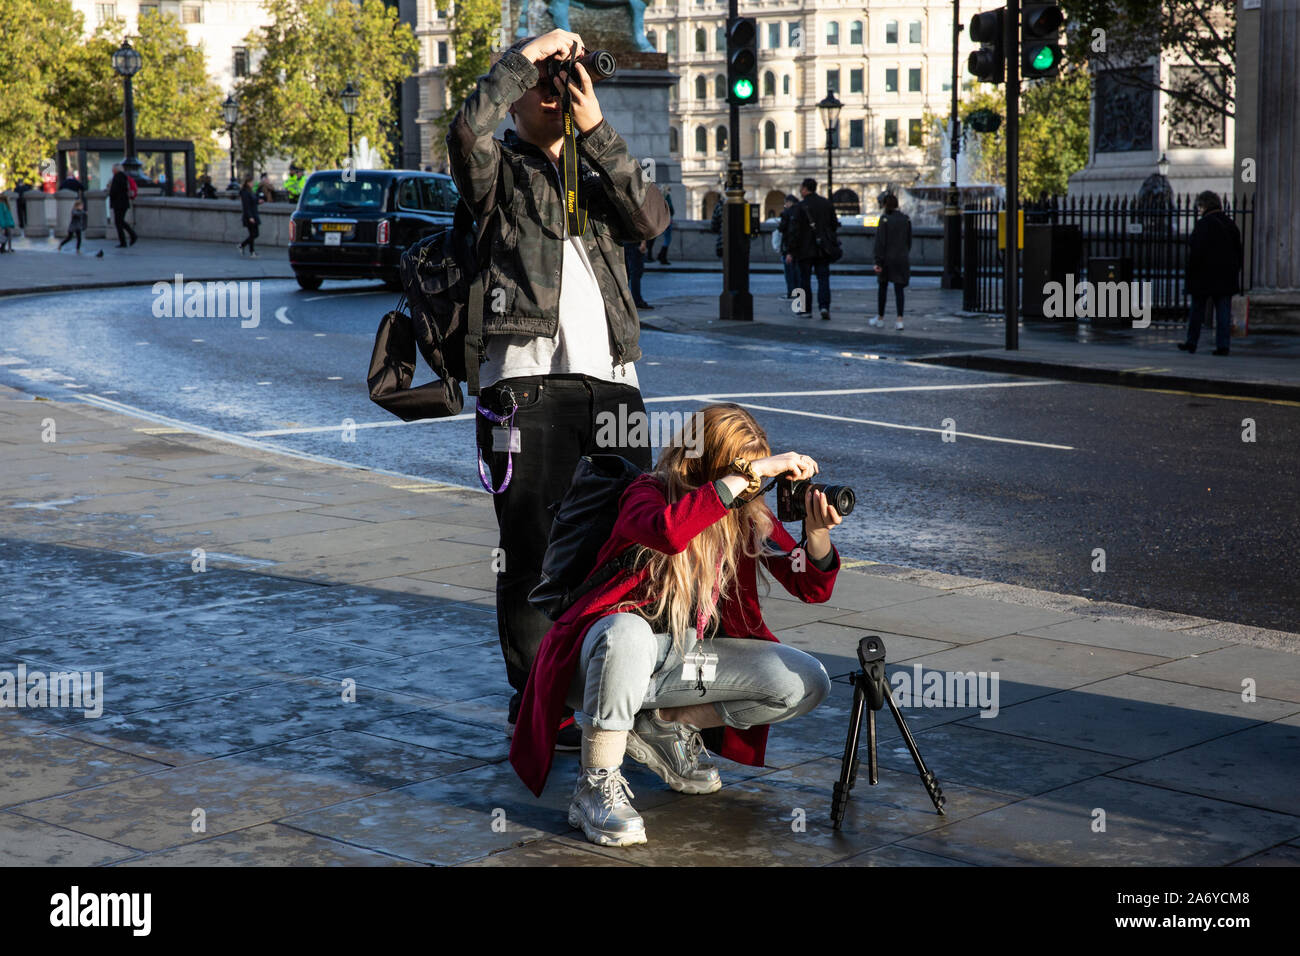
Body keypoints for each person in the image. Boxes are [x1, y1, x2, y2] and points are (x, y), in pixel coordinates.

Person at [446, 29, 670, 750]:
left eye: (560, 76)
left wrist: (597, 129)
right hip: (525, 384)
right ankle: (541, 700)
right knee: (533, 550)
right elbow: (466, 127)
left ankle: (620, 687)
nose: (552, 87)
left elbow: (651, 220)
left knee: (631, 543)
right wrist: (527, 53)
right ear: (515, 95)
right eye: (540, 79)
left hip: (616, 384)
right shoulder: (495, 171)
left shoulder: (593, 163)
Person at [511, 403, 841, 846]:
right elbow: (668, 531)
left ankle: (664, 723)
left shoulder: (747, 515)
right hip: (595, 666)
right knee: (627, 632)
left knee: (806, 680)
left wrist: (817, 535)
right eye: (747, 471)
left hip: (678, 666)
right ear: (710, 463)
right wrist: (748, 475)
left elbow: (810, 587)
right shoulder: (646, 492)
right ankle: (596, 786)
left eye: (759, 476)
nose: (756, 485)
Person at [1178, 191, 1243, 357]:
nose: (1199, 210)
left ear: (1205, 205)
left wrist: (1191, 276)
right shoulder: (1230, 223)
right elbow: (1238, 251)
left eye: (1200, 206)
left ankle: (1191, 342)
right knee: (1223, 312)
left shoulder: (1203, 224)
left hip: (1204, 275)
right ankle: (1223, 345)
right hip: (1226, 276)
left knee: (1197, 310)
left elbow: (1195, 250)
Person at [786, 177, 838, 321]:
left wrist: (790, 251)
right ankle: (824, 307)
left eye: (801, 188)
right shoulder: (826, 204)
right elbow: (834, 225)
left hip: (804, 250)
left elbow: (794, 231)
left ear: (804, 189)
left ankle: (805, 310)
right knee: (823, 279)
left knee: (804, 280)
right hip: (822, 249)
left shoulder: (798, 207)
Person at [871, 192, 912, 330]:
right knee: (899, 290)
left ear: (884, 204)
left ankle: (880, 318)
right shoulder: (905, 219)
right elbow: (909, 241)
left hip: (887, 259)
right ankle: (900, 320)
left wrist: (878, 261)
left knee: (882, 288)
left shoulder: (884, 219)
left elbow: (880, 242)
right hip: (902, 258)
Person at [108, 164, 138, 248]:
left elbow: (114, 190)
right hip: (124, 203)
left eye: (113, 169)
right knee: (120, 221)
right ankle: (128, 238)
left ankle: (129, 237)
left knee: (119, 222)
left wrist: (110, 194)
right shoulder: (124, 177)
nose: (112, 171)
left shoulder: (117, 177)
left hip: (119, 203)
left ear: (116, 170)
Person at [777, 193, 799, 298]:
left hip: (788, 248)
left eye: (786, 203)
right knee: (797, 273)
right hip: (799, 248)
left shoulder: (787, 213)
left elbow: (784, 230)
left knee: (789, 272)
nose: (785, 205)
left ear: (790, 203)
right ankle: (798, 292)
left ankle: (791, 292)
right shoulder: (801, 212)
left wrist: (789, 251)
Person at [624, 239, 653, 309]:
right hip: (634, 242)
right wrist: (643, 242)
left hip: (623, 242)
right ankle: (637, 300)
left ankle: (626, 299)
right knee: (636, 273)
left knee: (627, 273)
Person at [236, 175, 260, 257]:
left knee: (253, 234)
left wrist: (258, 201)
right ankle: (244, 247)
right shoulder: (245, 192)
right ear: (248, 182)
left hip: (253, 214)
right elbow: (246, 206)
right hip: (250, 216)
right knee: (254, 234)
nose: (253, 183)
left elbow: (253, 201)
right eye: (252, 182)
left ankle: (249, 250)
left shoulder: (250, 191)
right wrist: (250, 217)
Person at [649, 188, 674, 265]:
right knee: (668, 239)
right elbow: (671, 210)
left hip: (658, 221)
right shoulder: (667, 197)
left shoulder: (657, 198)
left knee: (654, 239)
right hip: (666, 221)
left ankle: (658, 256)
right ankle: (662, 256)